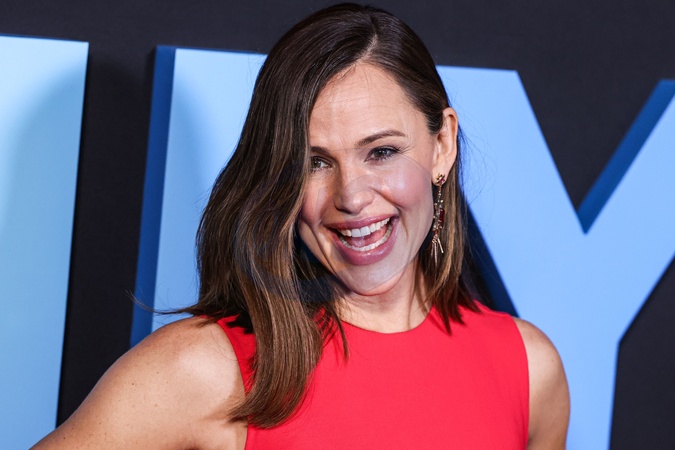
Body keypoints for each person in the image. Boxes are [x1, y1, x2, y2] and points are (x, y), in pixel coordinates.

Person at [34, 3, 569, 449]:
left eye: (382, 151)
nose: (351, 197)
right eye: (314, 162)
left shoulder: (529, 369)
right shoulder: (207, 369)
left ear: (442, 145)